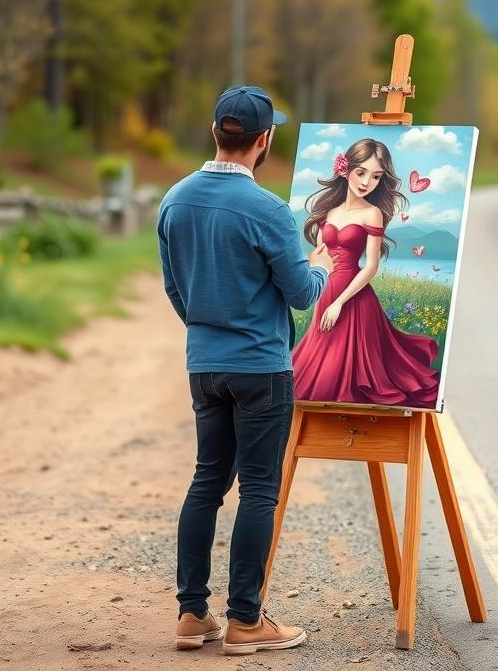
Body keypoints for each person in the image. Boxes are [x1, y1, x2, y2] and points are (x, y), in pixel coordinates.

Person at [157, 85, 335, 656]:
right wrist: (325, 268)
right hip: (261, 367)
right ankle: (244, 623)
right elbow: (303, 295)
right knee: (259, 490)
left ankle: (191, 615)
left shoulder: (174, 200)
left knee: (207, 481)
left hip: (203, 365)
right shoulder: (269, 210)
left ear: (215, 132)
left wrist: (207, 326)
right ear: (264, 141)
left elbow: (173, 288)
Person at [292, 137, 440, 409]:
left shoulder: (373, 214)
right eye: (361, 173)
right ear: (346, 169)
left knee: (344, 371)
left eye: (375, 177)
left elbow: (371, 265)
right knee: (313, 370)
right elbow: (320, 254)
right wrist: (313, 267)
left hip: (353, 297)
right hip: (325, 291)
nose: (366, 182)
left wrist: (339, 302)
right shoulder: (330, 211)